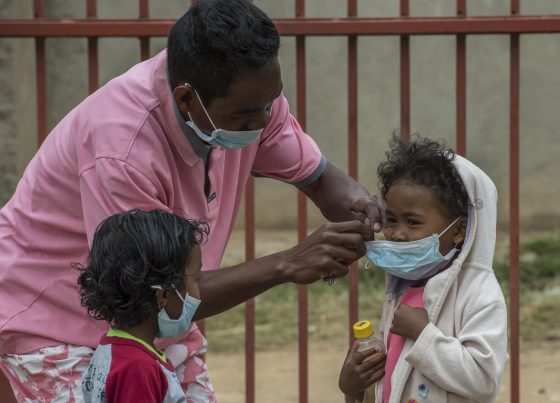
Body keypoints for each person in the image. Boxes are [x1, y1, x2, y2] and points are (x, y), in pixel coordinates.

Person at [0, 0, 384, 400]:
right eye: (245, 116)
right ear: (186, 100)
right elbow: (151, 294)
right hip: (55, 322)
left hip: (157, 328)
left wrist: (367, 211)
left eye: (270, 104)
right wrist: (288, 262)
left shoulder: (250, 100)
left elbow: (319, 178)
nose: (263, 121)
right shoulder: (122, 145)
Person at [338, 136, 508, 402]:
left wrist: (423, 335)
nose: (398, 235)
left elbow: (483, 380)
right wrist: (353, 388)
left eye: (413, 222)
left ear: (460, 229)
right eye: (392, 220)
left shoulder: (480, 294)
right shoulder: (403, 284)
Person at [77, 209, 206, 402]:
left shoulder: (113, 349)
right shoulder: (138, 367)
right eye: (195, 279)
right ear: (163, 295)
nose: (198, 291)